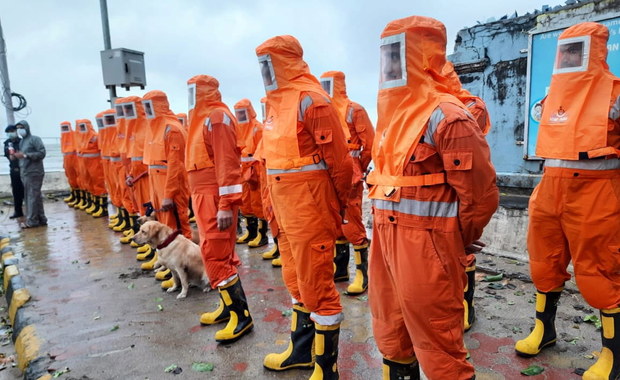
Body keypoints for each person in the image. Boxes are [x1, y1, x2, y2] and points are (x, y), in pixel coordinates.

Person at [366, 16, 498, 379]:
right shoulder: (390, 116)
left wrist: (456, 240)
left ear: (420, 56)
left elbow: (481, 194)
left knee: (439, 347)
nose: (389, 64)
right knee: (391, 334)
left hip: (429, 247)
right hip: (386, 243)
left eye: (397, 53)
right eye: (386, 54)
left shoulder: (448, 116)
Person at [514, 22, 620, 380]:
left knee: (600, 273)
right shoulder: (551, 94)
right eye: (566, 49)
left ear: (595, 50)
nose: (570, 56)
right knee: (544, 263)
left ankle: (613, 355)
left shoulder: (615, 94)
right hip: (549, 187)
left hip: (597, 191)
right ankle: (545, 330)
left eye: (577, 49)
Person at [256, 35, 353, 378]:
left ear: (285, 61)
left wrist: (344, 209)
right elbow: (270, 164)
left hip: (310, 212)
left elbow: (341, 165)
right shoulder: (273, 104)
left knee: (318, 289)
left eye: (269, 62)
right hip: (285, 213)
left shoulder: (313, 100)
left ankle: (326, 368)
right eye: (261, 63)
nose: (264, 71)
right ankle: (300, 351)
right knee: (295, 282)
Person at [185, 75, 254, 344]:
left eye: (194, 91)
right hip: (204, 196)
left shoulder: (216, 117)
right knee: (213, 251)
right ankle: (228, 307)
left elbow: (227, 164)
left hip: (214, 198)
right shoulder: (201, 118)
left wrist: (226, 205)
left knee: (216, 254)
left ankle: (242, 316)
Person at [441, 60, 493, 331]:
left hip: (459, 190)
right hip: (436, 196)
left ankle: (466, 306)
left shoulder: (469, 107)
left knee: (464, 252)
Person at [320, 70, 375, 295]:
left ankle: (363, 273)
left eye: (328, 84)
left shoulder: (355, 109)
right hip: (330, 171)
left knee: (352, 222)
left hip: (350, 171)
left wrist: (358, 166)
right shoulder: (322, 110)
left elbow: (369, 144)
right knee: (337, 222)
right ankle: (340, 269)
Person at [141, 90, 191, 238]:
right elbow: (154, 165)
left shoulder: (172, 128)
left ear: (158, 105)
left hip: (170, 188)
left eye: (149, 106)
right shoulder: (154, 127)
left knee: (175, 226)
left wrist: (168, 195)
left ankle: (183, 259)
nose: (146, 111)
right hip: (157, 186)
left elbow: (175, 165)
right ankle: (165, 257)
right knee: (162, 226)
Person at [234, 98, 269, 248]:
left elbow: (261, 152)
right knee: (245, 203)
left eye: (242, 113)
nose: (240, 116)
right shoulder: (237, 128)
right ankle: (251, 232)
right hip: (242, 170)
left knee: (258, 203)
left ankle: (262, 236)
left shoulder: (257, 128)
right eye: (238, 113)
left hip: (255, 171)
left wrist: (255, 171)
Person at [13, 120, 48, 228]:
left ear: (27, 128)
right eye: (18, 128)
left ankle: (32, 221)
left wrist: (25, 155)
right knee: (34, 196)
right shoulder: (22, 142)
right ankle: (41, 218)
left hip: (34, 171)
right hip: (25, 172)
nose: (20, 130)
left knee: (32, 196)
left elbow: (42, 153)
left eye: (21, 127)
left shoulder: (35, 139)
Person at [4, 125, 24, 219]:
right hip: (14, 170)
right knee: (16, 192)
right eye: (9, 132)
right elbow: (9, 156)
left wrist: (19, 155)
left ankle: (31, 211)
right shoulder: (7, 143)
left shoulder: (22, 141)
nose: (11, 133)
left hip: (24, 169)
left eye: (12, 131)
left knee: (26, 191)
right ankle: (18, 211)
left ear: (16, 131)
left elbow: (24, 154)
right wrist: (13, 155)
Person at [59, 122, 79, 207]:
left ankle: (79, 198)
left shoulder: (74, 135)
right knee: (70, 179)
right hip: (67, 161)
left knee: (77, 180)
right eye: (62, 128)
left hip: (74, 160)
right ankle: (74, 196)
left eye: (65, 127)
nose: (64, 129)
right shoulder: (62, 137)